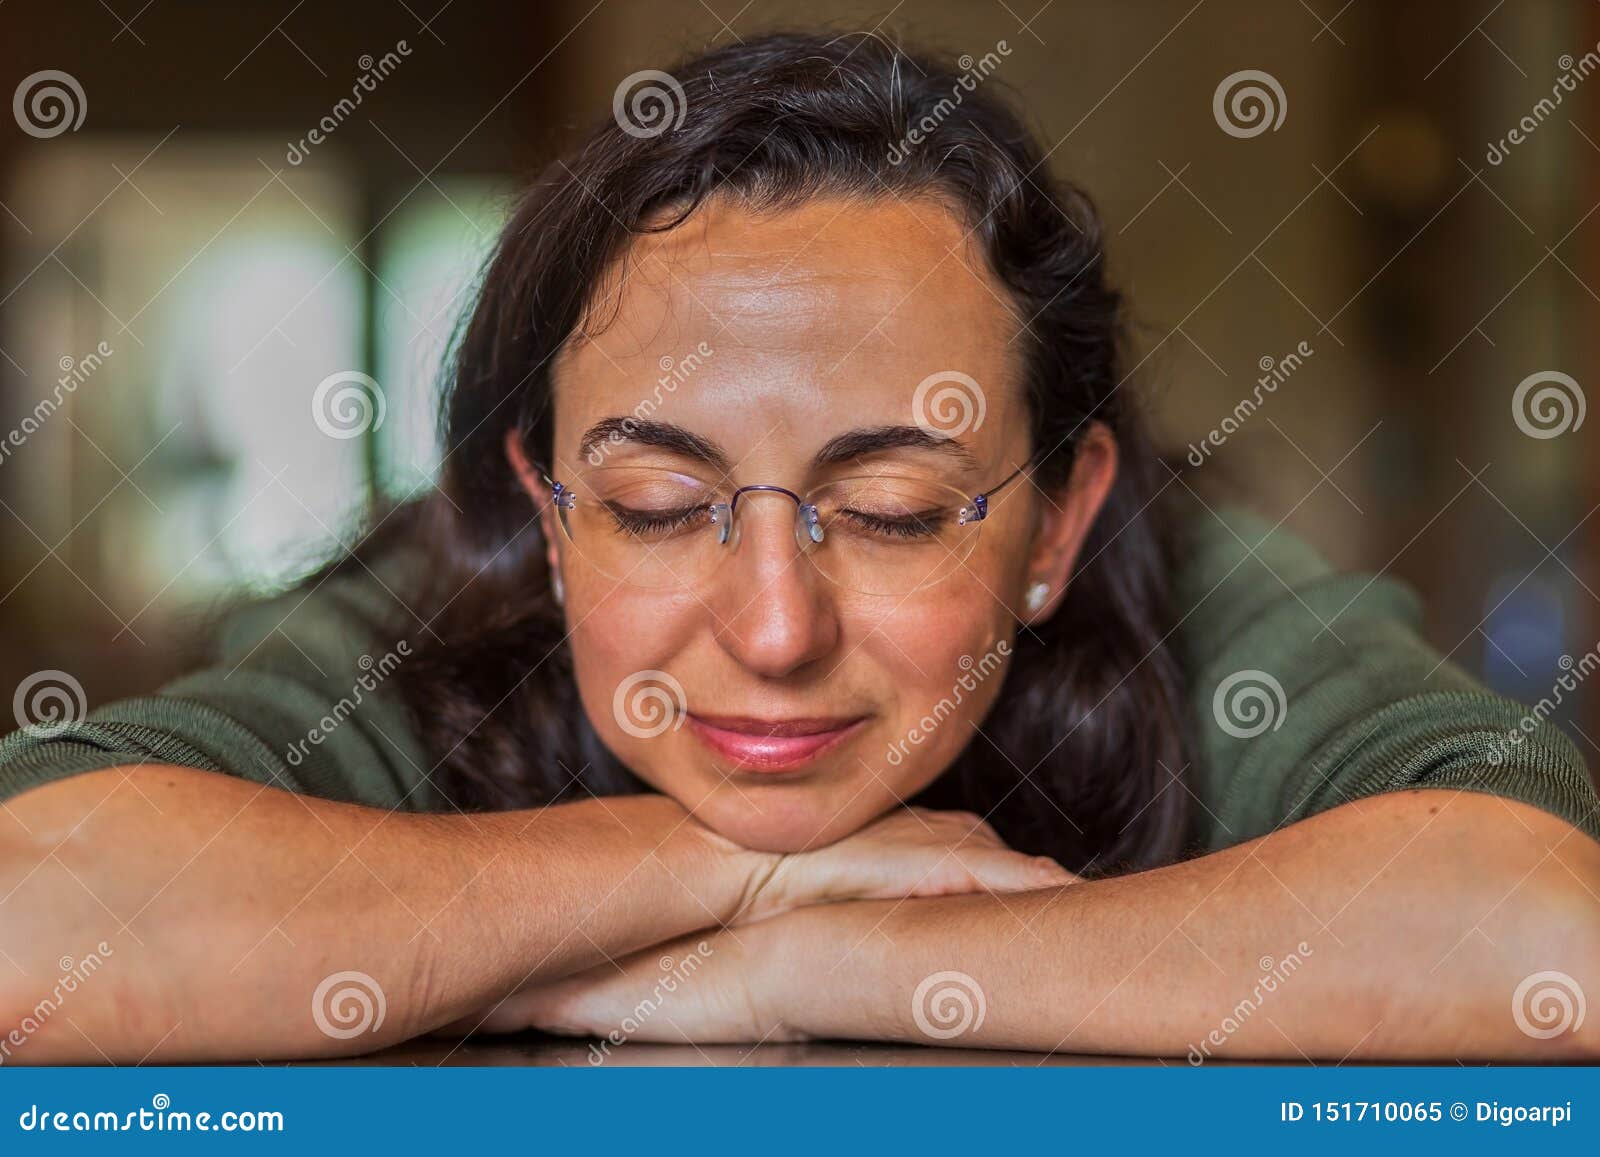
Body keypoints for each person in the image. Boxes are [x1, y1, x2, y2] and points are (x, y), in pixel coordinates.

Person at [1, 32, 1596, 1064]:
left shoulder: (1210, 597)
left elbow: (1544, 936)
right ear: (546, 520)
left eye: (897, 512)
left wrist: (822, 966)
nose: (773, 628)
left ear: (1062, 517)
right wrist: (716, 869)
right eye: (655, 507)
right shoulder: (428, 613)